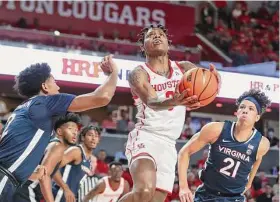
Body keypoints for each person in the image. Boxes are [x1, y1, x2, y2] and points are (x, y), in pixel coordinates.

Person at [118, 24, 220, 202]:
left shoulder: (185, 68)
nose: (157, 37)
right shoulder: (139, 73)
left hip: (169, 144)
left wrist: (215, 83)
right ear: (143, 46)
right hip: (146, 136)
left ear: (168, 43)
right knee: (144, 191)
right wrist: (174, 101)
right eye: (151, 36)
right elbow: (151, 101)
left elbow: (204, 90)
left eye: (161, 35)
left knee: (154, 200)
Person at [0, 55, 118, 201]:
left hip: (8, 177)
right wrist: (113, 73)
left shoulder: (22, 109)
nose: (59, 87)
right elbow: (102, 97)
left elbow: (11, 149)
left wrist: (29, 170)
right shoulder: (46, 102)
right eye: (54, 82)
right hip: (5, 178)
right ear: (45, 86)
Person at [178, 89, 271, 202]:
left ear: (257, 117)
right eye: (242, 107)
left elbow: (257, 159)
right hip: (206, 194)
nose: (245, 110)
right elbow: (184, 152)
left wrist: (249, 182)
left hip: (234, 198)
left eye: (251, 109)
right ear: (237, 112)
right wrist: (183, 187)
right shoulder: (216, 129)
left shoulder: (262, 144)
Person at [13, 113, 81, 202]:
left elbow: (50, 171)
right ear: (59, 131)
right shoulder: (58, 146)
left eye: (76, 130)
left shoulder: (51, 144)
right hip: (27, 191)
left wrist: (65, 187)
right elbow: (44, 176)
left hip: (21, 189)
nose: (75, 133)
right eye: (70, 129)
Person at [52, 125, 101, 202]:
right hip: (59, 195)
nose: (93, 138)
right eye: (90, 135)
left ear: (98, 140)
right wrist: (66, 189)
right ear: (82, 137)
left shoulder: (89, 160)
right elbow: (52, 166)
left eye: (96, 136)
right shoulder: (76, 151)